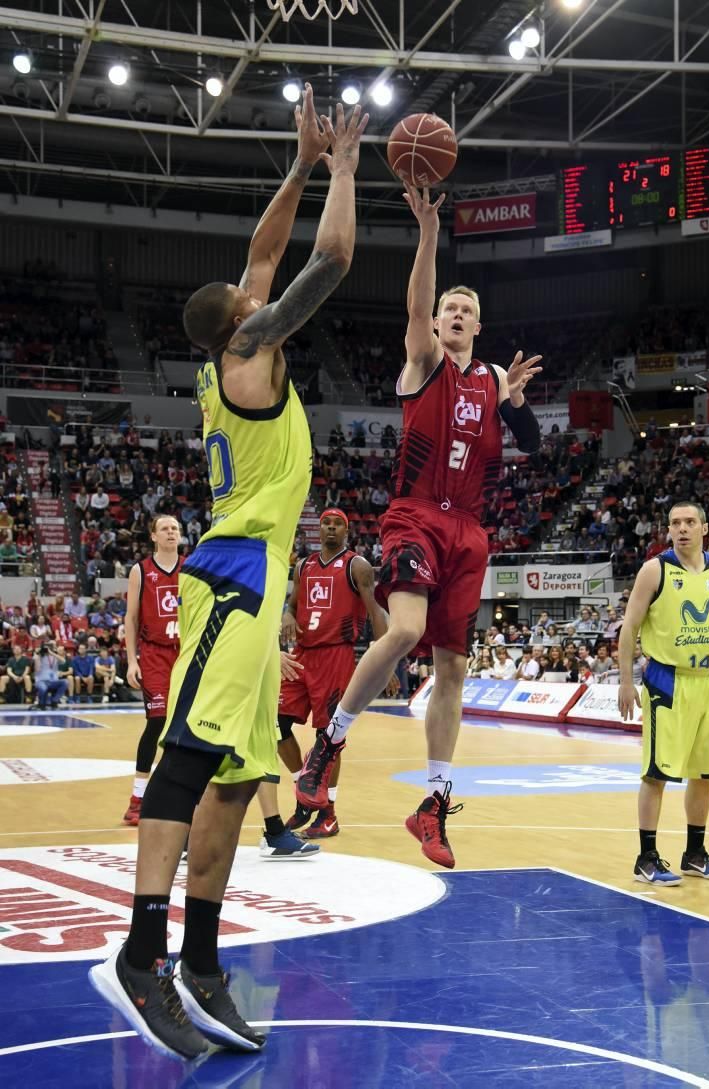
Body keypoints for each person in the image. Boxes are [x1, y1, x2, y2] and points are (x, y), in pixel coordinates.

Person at [89, 89, 367, 1061]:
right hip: (235, 577)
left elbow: (260, 257)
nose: (258, 288)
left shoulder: (228, 349)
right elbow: (326, 262)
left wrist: (293, 168)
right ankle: (141, 952)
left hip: (260, 579)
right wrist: (342, 168)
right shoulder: (252, 354)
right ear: (242, 326)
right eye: (254, 298)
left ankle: (202, 963)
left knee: (240, 783)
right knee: (187, 761)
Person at [296, 183, 542, 870]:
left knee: (453, 667)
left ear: (478, 327)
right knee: (402, 629)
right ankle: (329, 744)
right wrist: (429, 232)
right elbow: (415, 302)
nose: (456, 314)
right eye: (448, 309)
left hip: (470, 530)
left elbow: (532, 445)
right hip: (414, 515)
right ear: (436, 324)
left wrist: (517, 406)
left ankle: (432, 803)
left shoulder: (493, 380)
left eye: (467, 310)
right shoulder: (423, 361)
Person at [618, 501, 709, 887]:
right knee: (656, 774)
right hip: (666, 680)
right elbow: (629, 628)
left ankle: (694, 854)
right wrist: (625, 680)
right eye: (675, 523)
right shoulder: (654, 570)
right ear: (669, 530)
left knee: (705, 772)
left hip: (707, 681)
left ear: (705, 528)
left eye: (690, 522)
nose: (682, 528)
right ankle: (647, 858)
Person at [270, 507, 390, 843]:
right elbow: (293, 606)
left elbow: (376, 612)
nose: (331, 528)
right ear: (317, 529)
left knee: (329, 738)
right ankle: (304, 793)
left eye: (338, 524)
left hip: (336, 655)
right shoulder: (304, 565)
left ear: (346, 530)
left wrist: (385, 658)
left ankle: (329, 814)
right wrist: (287, 616)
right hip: (302, 655)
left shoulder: (357, 566)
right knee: (274, 723)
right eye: (326, 523)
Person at [122, 515, 183, 826]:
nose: (171, 532)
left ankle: (179, 795)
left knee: (185, 725)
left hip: (185, 654)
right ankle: (137, 798)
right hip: (155, 654)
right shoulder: (141, 571)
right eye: (165, 529)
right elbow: (130, 620)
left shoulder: (192, 568)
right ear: (153, 536)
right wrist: (132, 660)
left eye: (174, 528)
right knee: (157, 721)